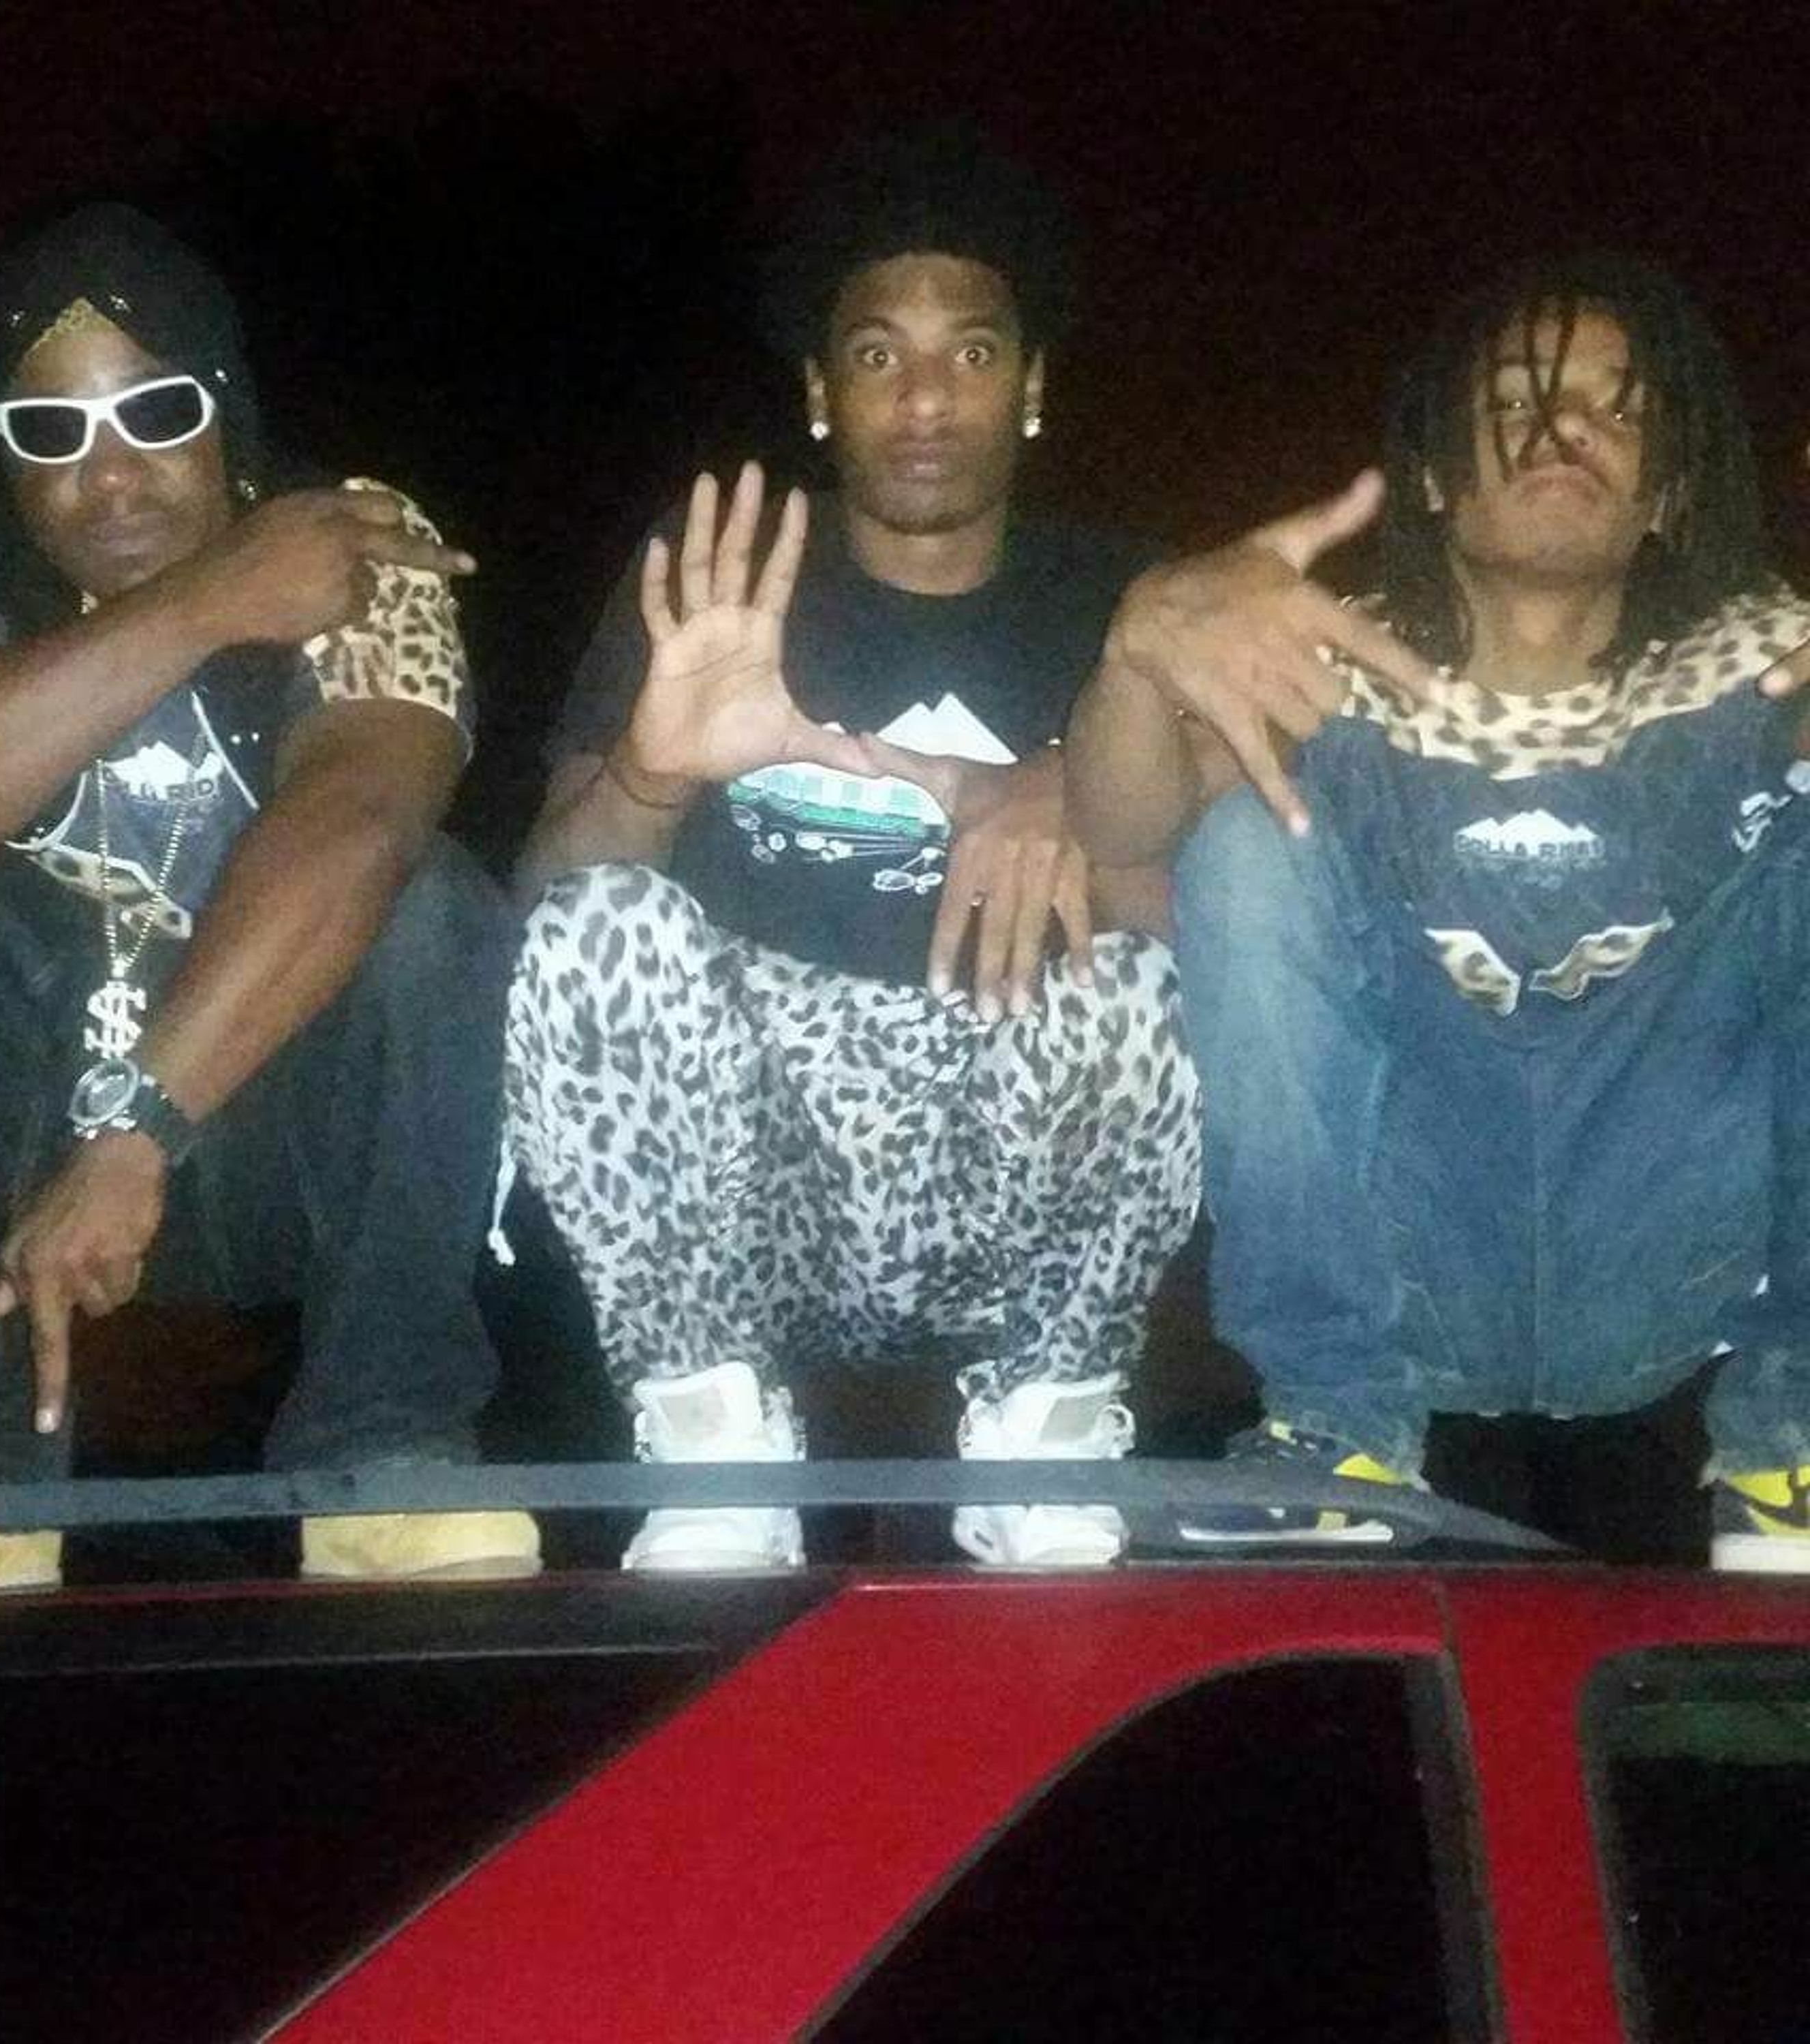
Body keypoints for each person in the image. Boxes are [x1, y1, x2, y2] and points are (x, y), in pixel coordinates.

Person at [0, 204, 535, 1597]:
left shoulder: (353, 537)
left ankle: (389, 1451)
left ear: (227, 414)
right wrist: (201, 606)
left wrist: (139, 1132)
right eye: (52, 431)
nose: (112, 471)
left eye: (156, 411)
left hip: (264, 1123)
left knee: (431, 907)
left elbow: (362, 819)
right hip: (17, 1137)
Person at [505, 131, 1202, 1573]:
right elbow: (544, 912)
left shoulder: (1124, 603)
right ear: (821, 395)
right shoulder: (722, 577)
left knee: (1144, 973)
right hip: (752, 1186)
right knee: (598, 921)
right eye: (879, 356)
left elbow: (1213, 924)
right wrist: (651, 771)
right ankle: (715, 1447)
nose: (927, 397)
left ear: (1033, 387)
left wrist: (1076, 788)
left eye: (972, 353)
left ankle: (1049, 1435)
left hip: (1008, 1160)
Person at [1066, 251, 1810, 1568]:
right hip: (1410, 1245)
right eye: (1519, 401)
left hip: (1686, 1244)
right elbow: (1123, 834)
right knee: (1246, 842)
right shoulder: (1321, 663)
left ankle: (1791, 1443)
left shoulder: (1766, 661)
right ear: (1429, 472)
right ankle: (1335, 1434)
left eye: (1620, 408)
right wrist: (1140, 644)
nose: (1567, 428)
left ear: (1670, 492)